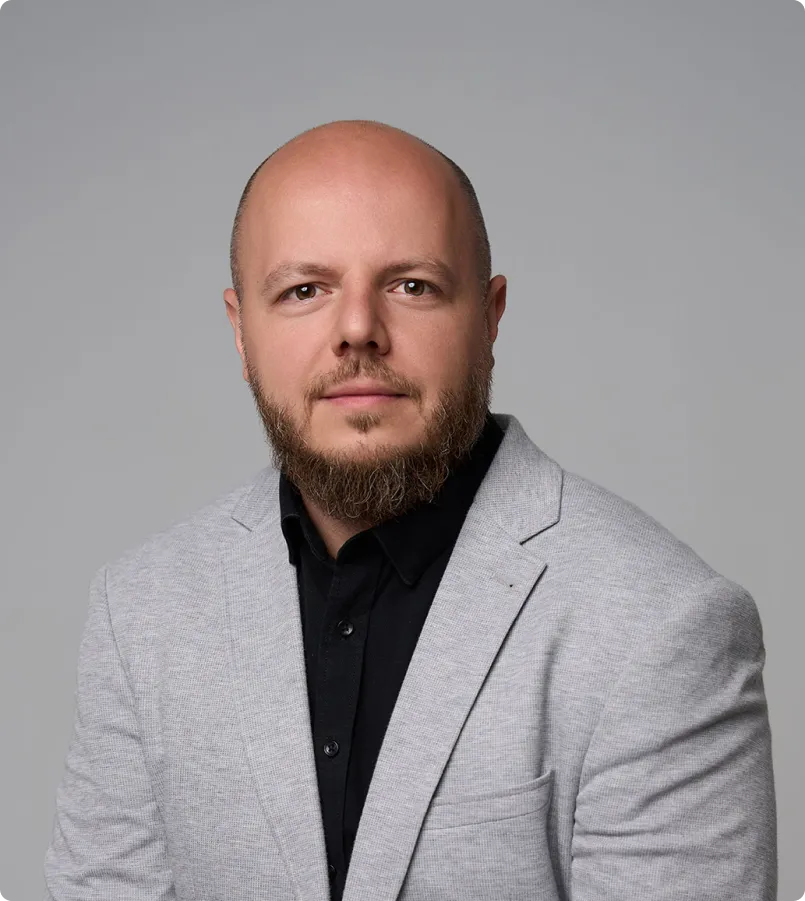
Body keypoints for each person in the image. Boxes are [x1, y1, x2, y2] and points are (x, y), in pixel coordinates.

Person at [43, 120, 776, 901]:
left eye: (411, 286)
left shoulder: (658, 625)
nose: (358, 329)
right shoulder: (141, 609)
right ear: (240, 331)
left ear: (489, 317)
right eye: (303, 290)